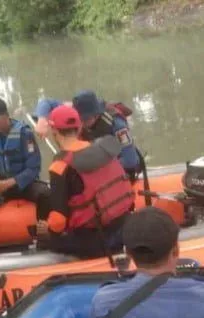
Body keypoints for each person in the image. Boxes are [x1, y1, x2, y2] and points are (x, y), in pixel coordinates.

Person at [36, 105, 134, 259]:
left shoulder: (60, 166)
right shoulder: (102, 148)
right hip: (125, 227)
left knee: (48, 239)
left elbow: (59, 222)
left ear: (54, 131)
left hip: (96, 240)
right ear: (79, 127)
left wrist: (48, 230)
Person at [34, 90, 144, 182]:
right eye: (79, 119)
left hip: (119, 167)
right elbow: (46, 102)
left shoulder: (117, 124)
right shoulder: (74, 109)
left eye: (85, 120)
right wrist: (42, 119)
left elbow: (130, 160)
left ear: (96, 115)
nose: (80, 124)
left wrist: (96, 167)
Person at [0, 97, 50, 222]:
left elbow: (33, 168)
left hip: (23, 186)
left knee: (45, 194)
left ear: (5, 116)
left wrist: (8, 183)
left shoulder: (25, 134)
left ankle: (43, 235)